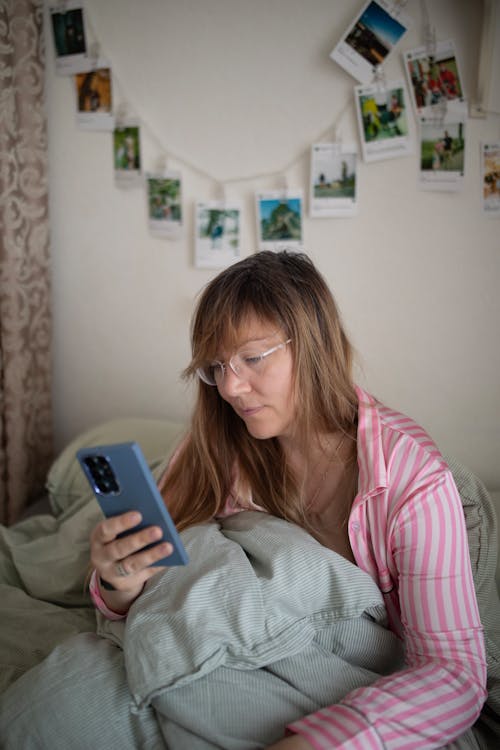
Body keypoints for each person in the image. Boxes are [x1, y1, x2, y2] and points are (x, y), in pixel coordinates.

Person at [89, 250, 487, 748]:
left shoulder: (413, 481)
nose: (231, 388)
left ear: (314, 344)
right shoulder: (217, 446)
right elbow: (157, 576)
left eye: (252, 358)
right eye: (217, 367)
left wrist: (317, 742)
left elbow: (453, 676)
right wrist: (115, 582)